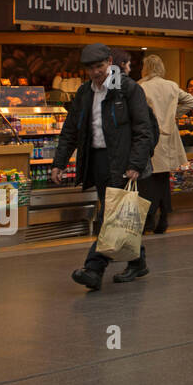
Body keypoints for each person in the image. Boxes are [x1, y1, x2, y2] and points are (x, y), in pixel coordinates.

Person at [52, 43, 156, 289]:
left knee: (109, 215)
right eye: (90, 68)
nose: (96, 72)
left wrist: (135, 164)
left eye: (99, 66)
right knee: (117, 214)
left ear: (110, 62)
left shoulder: (128, 89)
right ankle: (137, 262)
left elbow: (145, 130)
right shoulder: (84, 93)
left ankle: (93, 269)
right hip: (97, 161)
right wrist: (59, 163)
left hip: (122, 161)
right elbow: (70, 131)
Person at [138, 54, 193, 235]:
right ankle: (163, 218)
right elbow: (191, 101)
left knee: (147, 181)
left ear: (145, 68)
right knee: (163, 180)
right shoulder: (171, 85)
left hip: (150, 138)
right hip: (169, 138)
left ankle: (148, 221)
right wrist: (173, 114)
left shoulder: (141, 87)